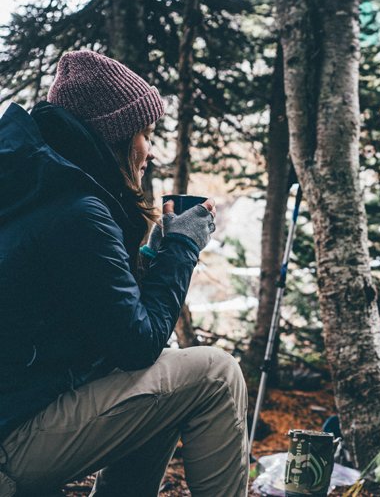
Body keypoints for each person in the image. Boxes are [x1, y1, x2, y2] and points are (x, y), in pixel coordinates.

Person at [0, 50, 249, 496]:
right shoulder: (79, 212)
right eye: (145, 134)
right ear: (113, 136)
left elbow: (99, 322)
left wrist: (150, 260)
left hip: (16, 412)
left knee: (169, 379)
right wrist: (183, 247)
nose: (149, 152)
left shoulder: (36, 192)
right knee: (214, 373)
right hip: (12, 442)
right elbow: (136, 345)